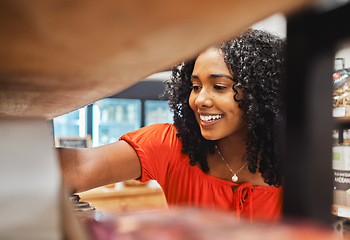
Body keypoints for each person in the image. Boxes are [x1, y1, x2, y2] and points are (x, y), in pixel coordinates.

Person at [58, 29, 286, 222]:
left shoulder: (298, 161)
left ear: (260, 94)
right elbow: (78, 167)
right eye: (195, 87)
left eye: (219, 86)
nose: (199, 100)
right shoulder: (172, 145)